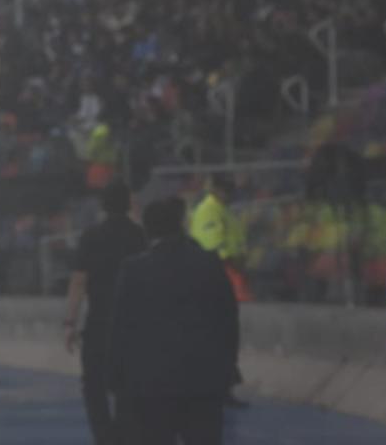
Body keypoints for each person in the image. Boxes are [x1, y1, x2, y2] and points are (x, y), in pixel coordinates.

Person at [109, 198, 238, 445]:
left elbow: (121, 329)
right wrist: (228, 366)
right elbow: (228, 320)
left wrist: (116, 378)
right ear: (180, 226)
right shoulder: (209, 263)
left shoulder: (133, 270)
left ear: (147, 230)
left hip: (151, 386)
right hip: (204, 382)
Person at [64, 181, 146, 445]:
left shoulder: (91, 236)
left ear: (102, 205)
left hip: (99, 320)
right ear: (127, 204)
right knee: (128, 382)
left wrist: (70, 321)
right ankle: (124, 432)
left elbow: (79, 281)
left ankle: (104, 435)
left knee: (93, 384)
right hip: (132, 322)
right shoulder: (139, 235)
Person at [189, 175, 248, 407]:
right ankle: (216, 387)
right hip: (219, 275)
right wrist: (233, 262)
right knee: (219, 335)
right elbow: (212, 247)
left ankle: (223, 387)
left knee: (226, 336)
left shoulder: (223, 209)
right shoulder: (208, 211)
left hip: (230, 275)